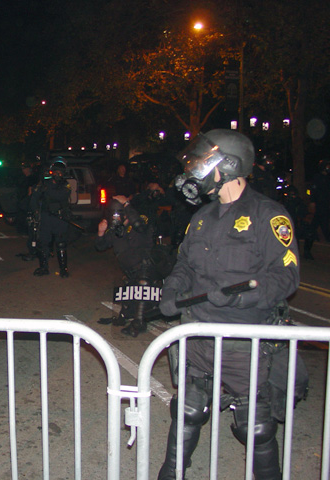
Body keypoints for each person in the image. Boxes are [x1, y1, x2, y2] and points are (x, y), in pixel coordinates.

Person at [157, 129, 300, 480]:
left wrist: (241, 295)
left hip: (244, 343)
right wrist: (171, 290)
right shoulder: (202, 218)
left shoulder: (270, 215)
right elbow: (185, 265)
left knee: (254, 426)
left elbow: (286, 277)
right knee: (187, 412)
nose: (194, 171)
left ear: (229, 166)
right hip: (199, 335)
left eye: (202, 163)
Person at [95, 196, 171, 337]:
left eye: (118, 215)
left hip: (148, 269)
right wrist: (100, 232)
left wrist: (127, 204)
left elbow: (140, 225)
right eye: (113, 215)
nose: (115, 218)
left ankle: (139, 323)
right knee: (128, 293)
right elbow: (100, 246)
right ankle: (125, 315)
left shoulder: (138, 223)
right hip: (130, 273)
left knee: (143, 282)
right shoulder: (115, 230)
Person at [30, 157, 72, 278]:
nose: (58, 174)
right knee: (43, 243)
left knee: (61, 244)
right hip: (46, 217)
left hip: (60, 218)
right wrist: (35, 212)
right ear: (52, 172)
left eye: (61, 172)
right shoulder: (43, 184)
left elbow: (60, 196)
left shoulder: (65, 185)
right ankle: (44, 267)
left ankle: (63, 269)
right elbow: (34, 198)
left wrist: (46, 190)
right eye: (56, 172)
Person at [305, 159, 330, 259]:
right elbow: (313, 191)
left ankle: (307, 250)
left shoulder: (328, 178)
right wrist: (312, 202)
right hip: (319, 206)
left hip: (326, 206)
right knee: (316, 227)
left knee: (322, 227)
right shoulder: (318, 178)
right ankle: (307, 250)